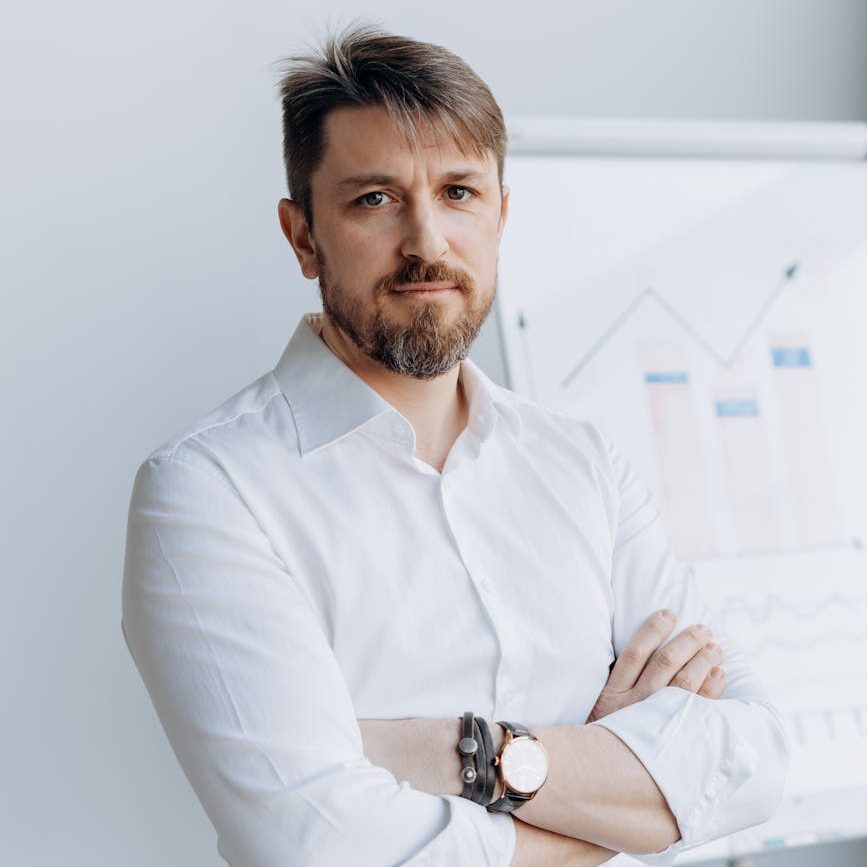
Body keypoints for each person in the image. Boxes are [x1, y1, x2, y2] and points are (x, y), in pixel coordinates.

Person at [121, 24, 788, 867]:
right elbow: (320, 847)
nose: (427, 243)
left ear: (501, 217)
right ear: (301, 237)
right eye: (375, 199)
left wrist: (463, 753)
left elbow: (753, 759)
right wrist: (614, 811)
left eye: (460, 193)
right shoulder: (209, 490)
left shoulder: (586, 465)